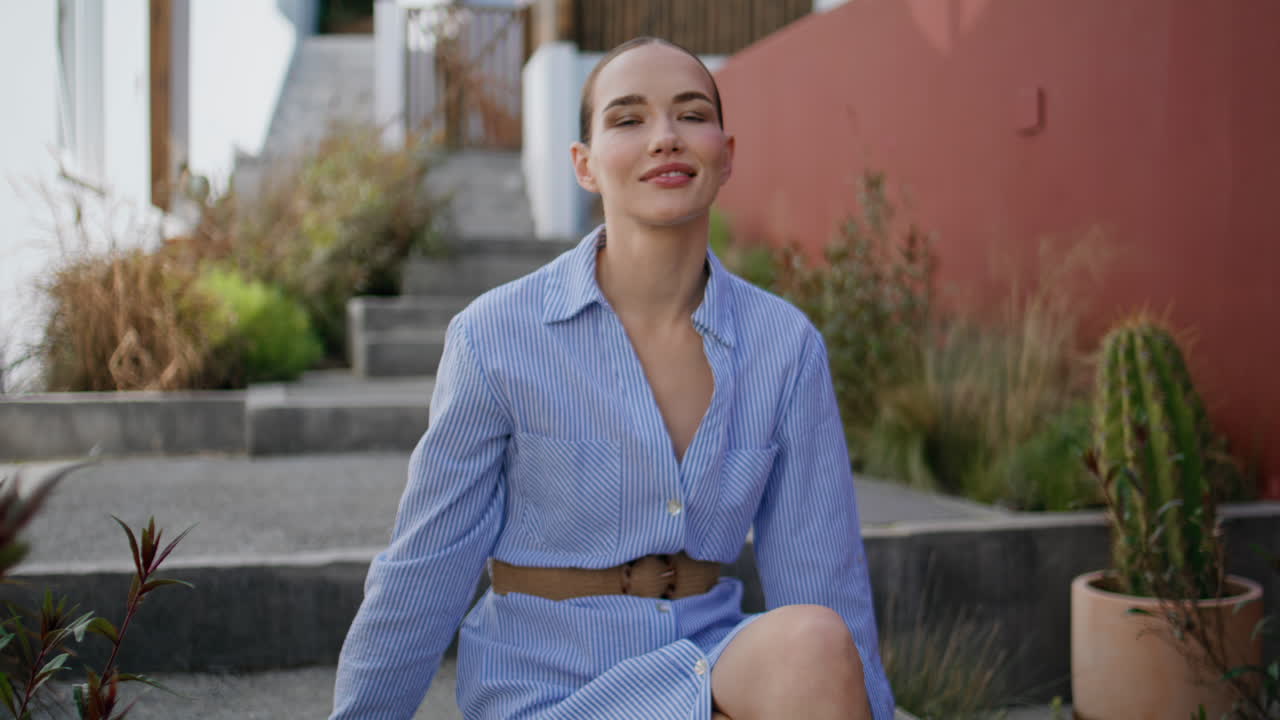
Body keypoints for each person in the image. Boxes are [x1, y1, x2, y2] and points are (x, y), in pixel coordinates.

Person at [331, 36, 894, 720]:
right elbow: (427, 569)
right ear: (585, 164)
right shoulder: (496, 336)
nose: (665, 138)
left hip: (709, 662)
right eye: (628, 119)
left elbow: (825, 581)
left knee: (813, 640)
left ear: (727, 154)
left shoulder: (786, 347)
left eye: (691, 115)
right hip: (548, 687)